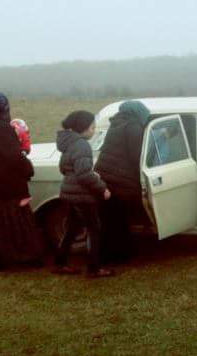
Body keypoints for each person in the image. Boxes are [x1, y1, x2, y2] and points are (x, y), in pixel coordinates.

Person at [0, 92, 44, 271]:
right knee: (19, 222)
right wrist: (28, 169)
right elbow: (13, 156)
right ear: (6, 108)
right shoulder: (4, 128)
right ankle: (27, 257)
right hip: (11, 183)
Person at [54, 110, 113, 277]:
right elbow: (84, 174)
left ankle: (60, 263)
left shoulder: (69, 143)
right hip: (81, 195)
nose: (94, 131)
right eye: (92, 127)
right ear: (83, 128)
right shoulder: (82, 145)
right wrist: (103, 188)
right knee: (94, 229)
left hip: (69, 192)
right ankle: (94, 268)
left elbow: (63, 168)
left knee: (72, 228)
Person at [94, 100, 151, 263]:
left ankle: (108, 254)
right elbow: (136, 157)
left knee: (110, 220)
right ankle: (118, 255)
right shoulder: (133, 127)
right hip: (121, 181)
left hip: (106, 177)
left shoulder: (117, 124)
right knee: (119, 221)